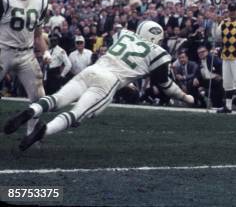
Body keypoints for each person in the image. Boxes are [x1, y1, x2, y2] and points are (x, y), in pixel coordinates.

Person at [4, 21, 194, 151]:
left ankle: (32, 110)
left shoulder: (124, 35)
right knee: (76, 114)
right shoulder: (159, 53)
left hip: (93, 69)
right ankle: (41, 133)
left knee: (57, 99)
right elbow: (165, 85)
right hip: (109, 81)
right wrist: (185, 97)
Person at [0, 0, 49, 136]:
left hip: (26, 54)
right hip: (3, 51)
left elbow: (38, 33)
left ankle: (32, 131)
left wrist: (46, 52)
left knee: (39, 96)